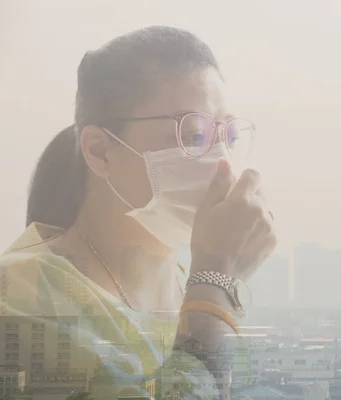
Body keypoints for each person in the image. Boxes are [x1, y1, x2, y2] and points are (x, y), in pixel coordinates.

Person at [1, 26, 276, 399]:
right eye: (193, 136)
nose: (223, 164)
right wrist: (214, 280)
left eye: (228, 137)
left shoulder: (191, 288)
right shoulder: (19, 296)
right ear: (100, 151)